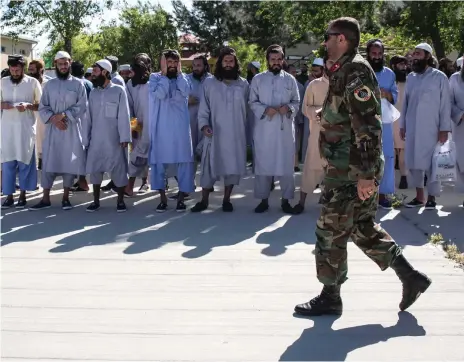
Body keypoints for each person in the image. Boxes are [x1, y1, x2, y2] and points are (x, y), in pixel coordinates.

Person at [294, 17, 431, 317]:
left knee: (329, 231)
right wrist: (326, 115)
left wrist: (366, 174)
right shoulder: (344, 68)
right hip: (349, 167)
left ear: (342, 39)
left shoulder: (354, 70)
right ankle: (410, 277)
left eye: (328, 36)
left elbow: (368, 124)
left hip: (351, 169)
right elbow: (348, 113)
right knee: (361, 227)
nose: (325, 41)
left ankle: (330, 296)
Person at [191, 47, 249, 212]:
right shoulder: (210, 83)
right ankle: (204, 200)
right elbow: (204, 109)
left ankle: (226, 200)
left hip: (235, 134)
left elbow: (248, 110)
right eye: (226, 61)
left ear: (235, 63)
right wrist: (204, 126)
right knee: (208, 169)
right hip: (214, 133)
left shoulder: (243, 84)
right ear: (220, 63)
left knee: (231, 168)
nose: (228, 64)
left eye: (231, 61)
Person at [29, 51, 87, 211]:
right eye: (60, 64)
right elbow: (43, 106)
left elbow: (82, 106)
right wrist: (54, 119)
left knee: (69, 163)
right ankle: (45, 198)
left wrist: (64, 116)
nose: (63, 66)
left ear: (70, 63)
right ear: (55, 65)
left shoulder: (78, 84)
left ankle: (65, 198)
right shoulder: (50, 85)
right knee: (48, 163)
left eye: (65, 63)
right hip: (53, 130)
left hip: (70, 130)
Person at [249, 44, 300, 214]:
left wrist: (290, 109)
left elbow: (296, 102)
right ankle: (263, 200)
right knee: (264, 164)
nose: (276, 62)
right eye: (273, 59)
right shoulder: (258, 79)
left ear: (283, 60)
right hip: (264, 130)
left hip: (284, 130)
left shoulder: (290, 80)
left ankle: (286, 201)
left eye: (279, 59)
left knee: (286, 165)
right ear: (268, 61)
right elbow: (252, 102)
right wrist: (264, 109)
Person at [400, 43, 452, 210]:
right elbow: (405, 103)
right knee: (414, 162)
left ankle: (431, 198)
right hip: (413, 127)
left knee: (432, 164)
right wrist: (403, 125)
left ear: (428, 56)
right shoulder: (411, 77)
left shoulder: (440, 77)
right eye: (414, 54)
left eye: (418, 53)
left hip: (432, 127)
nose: (414, 56)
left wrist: (444, 128)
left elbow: (446, 105)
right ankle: (419, 197)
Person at [148, 49, 194, 212]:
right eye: (169, 62)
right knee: (159, 164)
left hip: (180, 130)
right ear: (163, 63)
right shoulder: (155, 78)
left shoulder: (184, 78)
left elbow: (187, 92)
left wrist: (179, 74)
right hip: (161, 129)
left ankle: (181, 199)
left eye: (175, 62)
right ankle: (163, 199)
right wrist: (165, 76)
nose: (173, 65)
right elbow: (159, 94)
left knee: (184, 163)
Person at [85, 59, 131, 212]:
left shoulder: (118, 90)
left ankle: (120, 201)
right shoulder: (93, 93)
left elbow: (124, 115)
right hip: (96, 139)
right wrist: (86, 138)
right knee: (95, 170)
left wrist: (125, 137)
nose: (93, 75)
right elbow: (88, 118)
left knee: (118, 169)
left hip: (114, 139)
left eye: (96, 71)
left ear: (105, 72)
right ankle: (96, 201)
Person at [1, 55, 41, 209]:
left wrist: (28, 106)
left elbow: (41, 105)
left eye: (17, 70)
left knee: (25, 161)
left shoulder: (32, 82)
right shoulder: (3, 82)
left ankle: (23, 195)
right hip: (7, 129)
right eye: (12, 70)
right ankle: (9, 196)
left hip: (25, 129)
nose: (15, 72)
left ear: (23, 68)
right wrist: (4, 105)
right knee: (8, 162)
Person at [292, 61, 330, 214]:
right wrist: (318, 112)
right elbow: (305, 107)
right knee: (310, 167)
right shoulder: (313, 85)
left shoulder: (343, 85)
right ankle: (301, 202)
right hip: (316, 133)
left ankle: (331, 203)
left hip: (338, 135)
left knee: (334, 170)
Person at [366, 39, 398, 210]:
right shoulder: (360, 71)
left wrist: (387, 94)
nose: (377, 57)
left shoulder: (389, 74)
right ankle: (367, 195)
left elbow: (395, 96)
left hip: (384, 122)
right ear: (368, 54)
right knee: (366, 157)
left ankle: (383, 195)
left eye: (379, 54)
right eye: (374, 54)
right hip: (365, 121)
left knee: (386, 156)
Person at [124, 53, 152, 196]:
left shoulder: (153, 82)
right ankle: (130, 186)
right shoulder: (130, 84)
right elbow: (129, 107)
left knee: (158, 156)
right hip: (139, 126)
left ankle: (147, 183)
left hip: (154, 126)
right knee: (137, 154)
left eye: (142, 62)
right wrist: (134, 127)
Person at [390, 55, 409, 189]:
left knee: (402, 150)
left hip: (404, 120)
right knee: (391, 151)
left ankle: (404, 177)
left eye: (404, 64)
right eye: (400, 65)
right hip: (389, 120)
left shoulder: (409, 81)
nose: (404, 67)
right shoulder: (389, 81)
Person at [28, 59, 48, 170]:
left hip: (44, 118)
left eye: (32, 69)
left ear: (41, 70)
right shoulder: (27, 83)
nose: (30, 72)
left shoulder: (48, 84)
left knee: (43, 139)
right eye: (29, 69)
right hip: (31, 116)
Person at [450, 64, 464, 205]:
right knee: (462, 160)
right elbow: (449, 101)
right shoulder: (455, 79)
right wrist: (460, 114)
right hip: (461, 127)